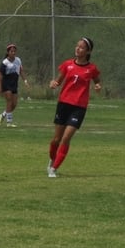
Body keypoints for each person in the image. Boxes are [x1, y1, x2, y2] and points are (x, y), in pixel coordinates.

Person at [47, 37, 102, 178]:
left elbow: (97, 80)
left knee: (66, 138)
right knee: (56, 139)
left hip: (79, 107)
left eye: (82, 47)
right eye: (77, 46)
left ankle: (54, 169)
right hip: (63, 104)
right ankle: (52, 160)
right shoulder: (67, 64)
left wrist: (97, 85)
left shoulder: (92, 68)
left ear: (88, 51)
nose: (78, 49)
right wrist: (53, 83)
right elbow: (58, 81)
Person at [0, 43, 29, 127]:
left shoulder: (18, 60)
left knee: (14, 104)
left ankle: (3, 115)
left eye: (14, 51)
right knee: (9, 101)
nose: (13, 53)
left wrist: (25, 80)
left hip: (14, 83)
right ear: (8, 52)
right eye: (11, 51)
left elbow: (21, 70)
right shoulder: (5, 62)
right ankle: (9, 122)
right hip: (6, 83)